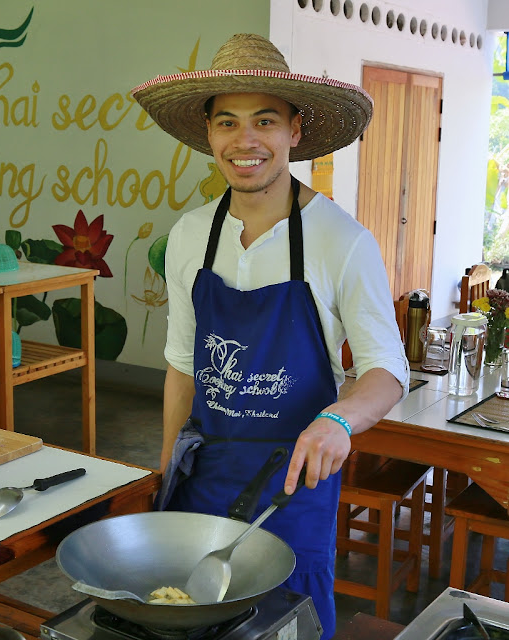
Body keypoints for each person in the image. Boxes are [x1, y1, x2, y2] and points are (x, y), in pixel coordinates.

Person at [131, 33, 409, 638]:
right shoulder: (189, 238)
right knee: (189, 618)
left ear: (295, 131)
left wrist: (339, 419)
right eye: (227, 121)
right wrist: (164, 472)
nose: (245, 140)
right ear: (208, 133)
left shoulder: (342, 242)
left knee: (289, 623)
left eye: (265, 120)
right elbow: (183, 365)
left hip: (294, 485)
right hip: (202, 475)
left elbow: (387, 370)